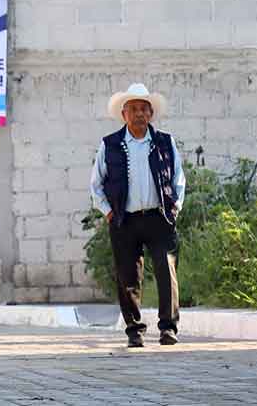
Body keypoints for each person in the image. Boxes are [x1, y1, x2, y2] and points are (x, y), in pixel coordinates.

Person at [90, 83, 186, 348]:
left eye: (144, 109)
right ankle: (134, 330)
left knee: (167, 272)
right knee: (127, 277)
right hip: (124, 220)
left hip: (159, 217)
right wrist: (108, 212)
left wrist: (175, 206)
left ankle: (168, 328)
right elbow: (96, 183)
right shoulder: (109, 145)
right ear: (124, 114)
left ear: (151, 113)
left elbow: (178, 178)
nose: (139, 114)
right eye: (133, 109)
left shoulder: (165, 142)